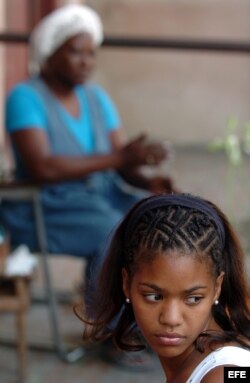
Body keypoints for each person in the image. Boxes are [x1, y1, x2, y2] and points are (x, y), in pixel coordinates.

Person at [1, 4, 176, 369]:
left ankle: (143, 319)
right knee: (112, 231)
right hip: (44, 206)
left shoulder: (96, 98)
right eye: (75, 51)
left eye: (91, 53)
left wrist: (146, 180)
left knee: (156, 215)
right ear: (50, 53)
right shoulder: (25, 98)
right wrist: (121, 159)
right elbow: (43, 167)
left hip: (94, 197)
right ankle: (112, 332)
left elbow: (120, 160)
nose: (86, 61)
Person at [75, 193, 250, 381]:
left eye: (193, 299)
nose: (171, 319)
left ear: (217, 288)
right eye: (154, 296)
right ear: (126, 283)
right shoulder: (201, 364)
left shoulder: (225, 375)